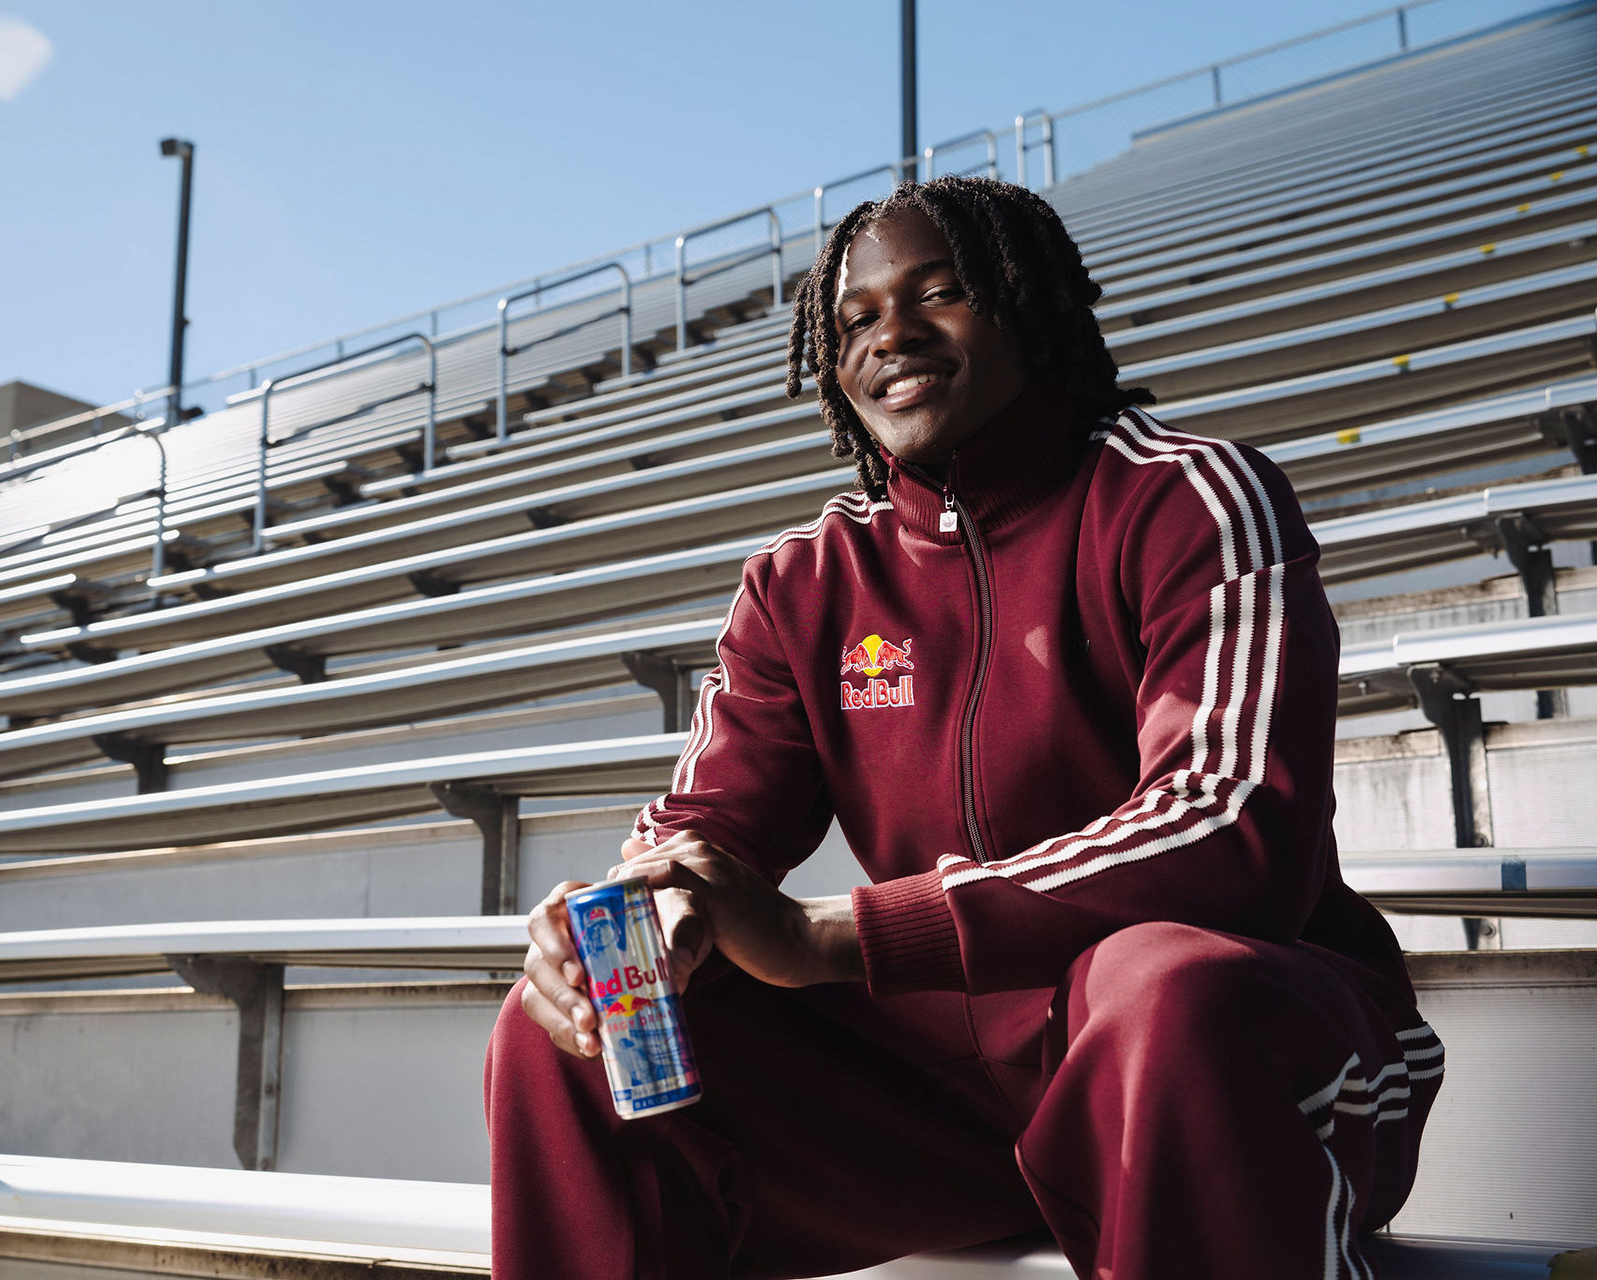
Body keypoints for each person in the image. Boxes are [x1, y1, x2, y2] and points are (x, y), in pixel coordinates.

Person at [485, 176, 1442, 1280]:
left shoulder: (1190, 498)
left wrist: (834, 936)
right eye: (855, 320)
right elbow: (707, 829)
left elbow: (1229, 831)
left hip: (1234, 1060)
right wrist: (636, 917)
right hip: (950, 1105)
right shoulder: (805, 583)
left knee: (1159, 984)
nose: (890, 335)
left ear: (1027, 303)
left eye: (939, 292)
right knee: (574, 1033)